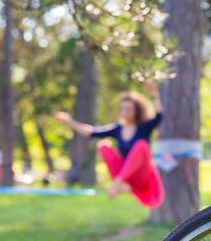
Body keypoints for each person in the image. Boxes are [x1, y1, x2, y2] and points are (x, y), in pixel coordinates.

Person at [54, 80, 164, 208]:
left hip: (142, 175)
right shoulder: (117, 129)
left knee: (141, 145)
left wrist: (153, 93)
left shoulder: (144, 127)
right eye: (122, 108)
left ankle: (117, 184)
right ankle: (121, 184)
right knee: (104, 145)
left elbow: (159, 117)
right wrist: (69, 121)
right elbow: (91, 132)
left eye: (128, 109)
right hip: (126, 177)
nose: (124, 112)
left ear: (137, 111)